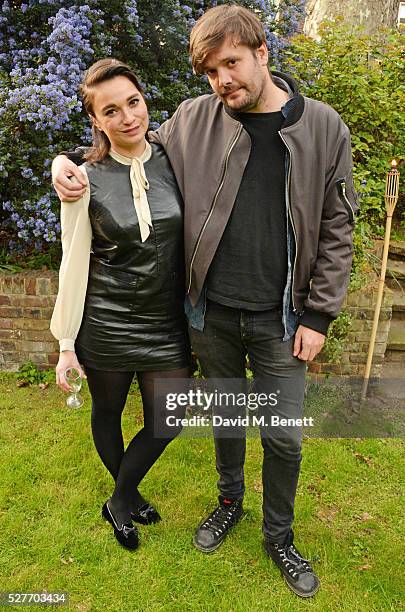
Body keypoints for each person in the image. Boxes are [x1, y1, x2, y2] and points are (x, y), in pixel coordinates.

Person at [52, 5, 358, 597]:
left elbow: (339, 227)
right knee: (224, 420)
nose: (224, 81)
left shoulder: (323, 127)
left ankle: (280, 536)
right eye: (212, 72)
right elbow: (121, 147)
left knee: (283, 434)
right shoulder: (194, 119)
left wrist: (320, 313)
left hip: (283, 318)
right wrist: (62, 165)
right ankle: (228, 503)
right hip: (211, 314)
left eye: (232, 64)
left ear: (262, 53)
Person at [50, 58, 191, 552]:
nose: (128, 117)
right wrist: (66, 341)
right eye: (112, 110)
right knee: (107, 413)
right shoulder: (83, 179)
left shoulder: (176, 157)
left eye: (133, 102)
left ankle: (120, 497)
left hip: (166, 321)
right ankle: (128, 498)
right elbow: (72, 261)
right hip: (106, 321)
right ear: (96, 120)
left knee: (170, 418)